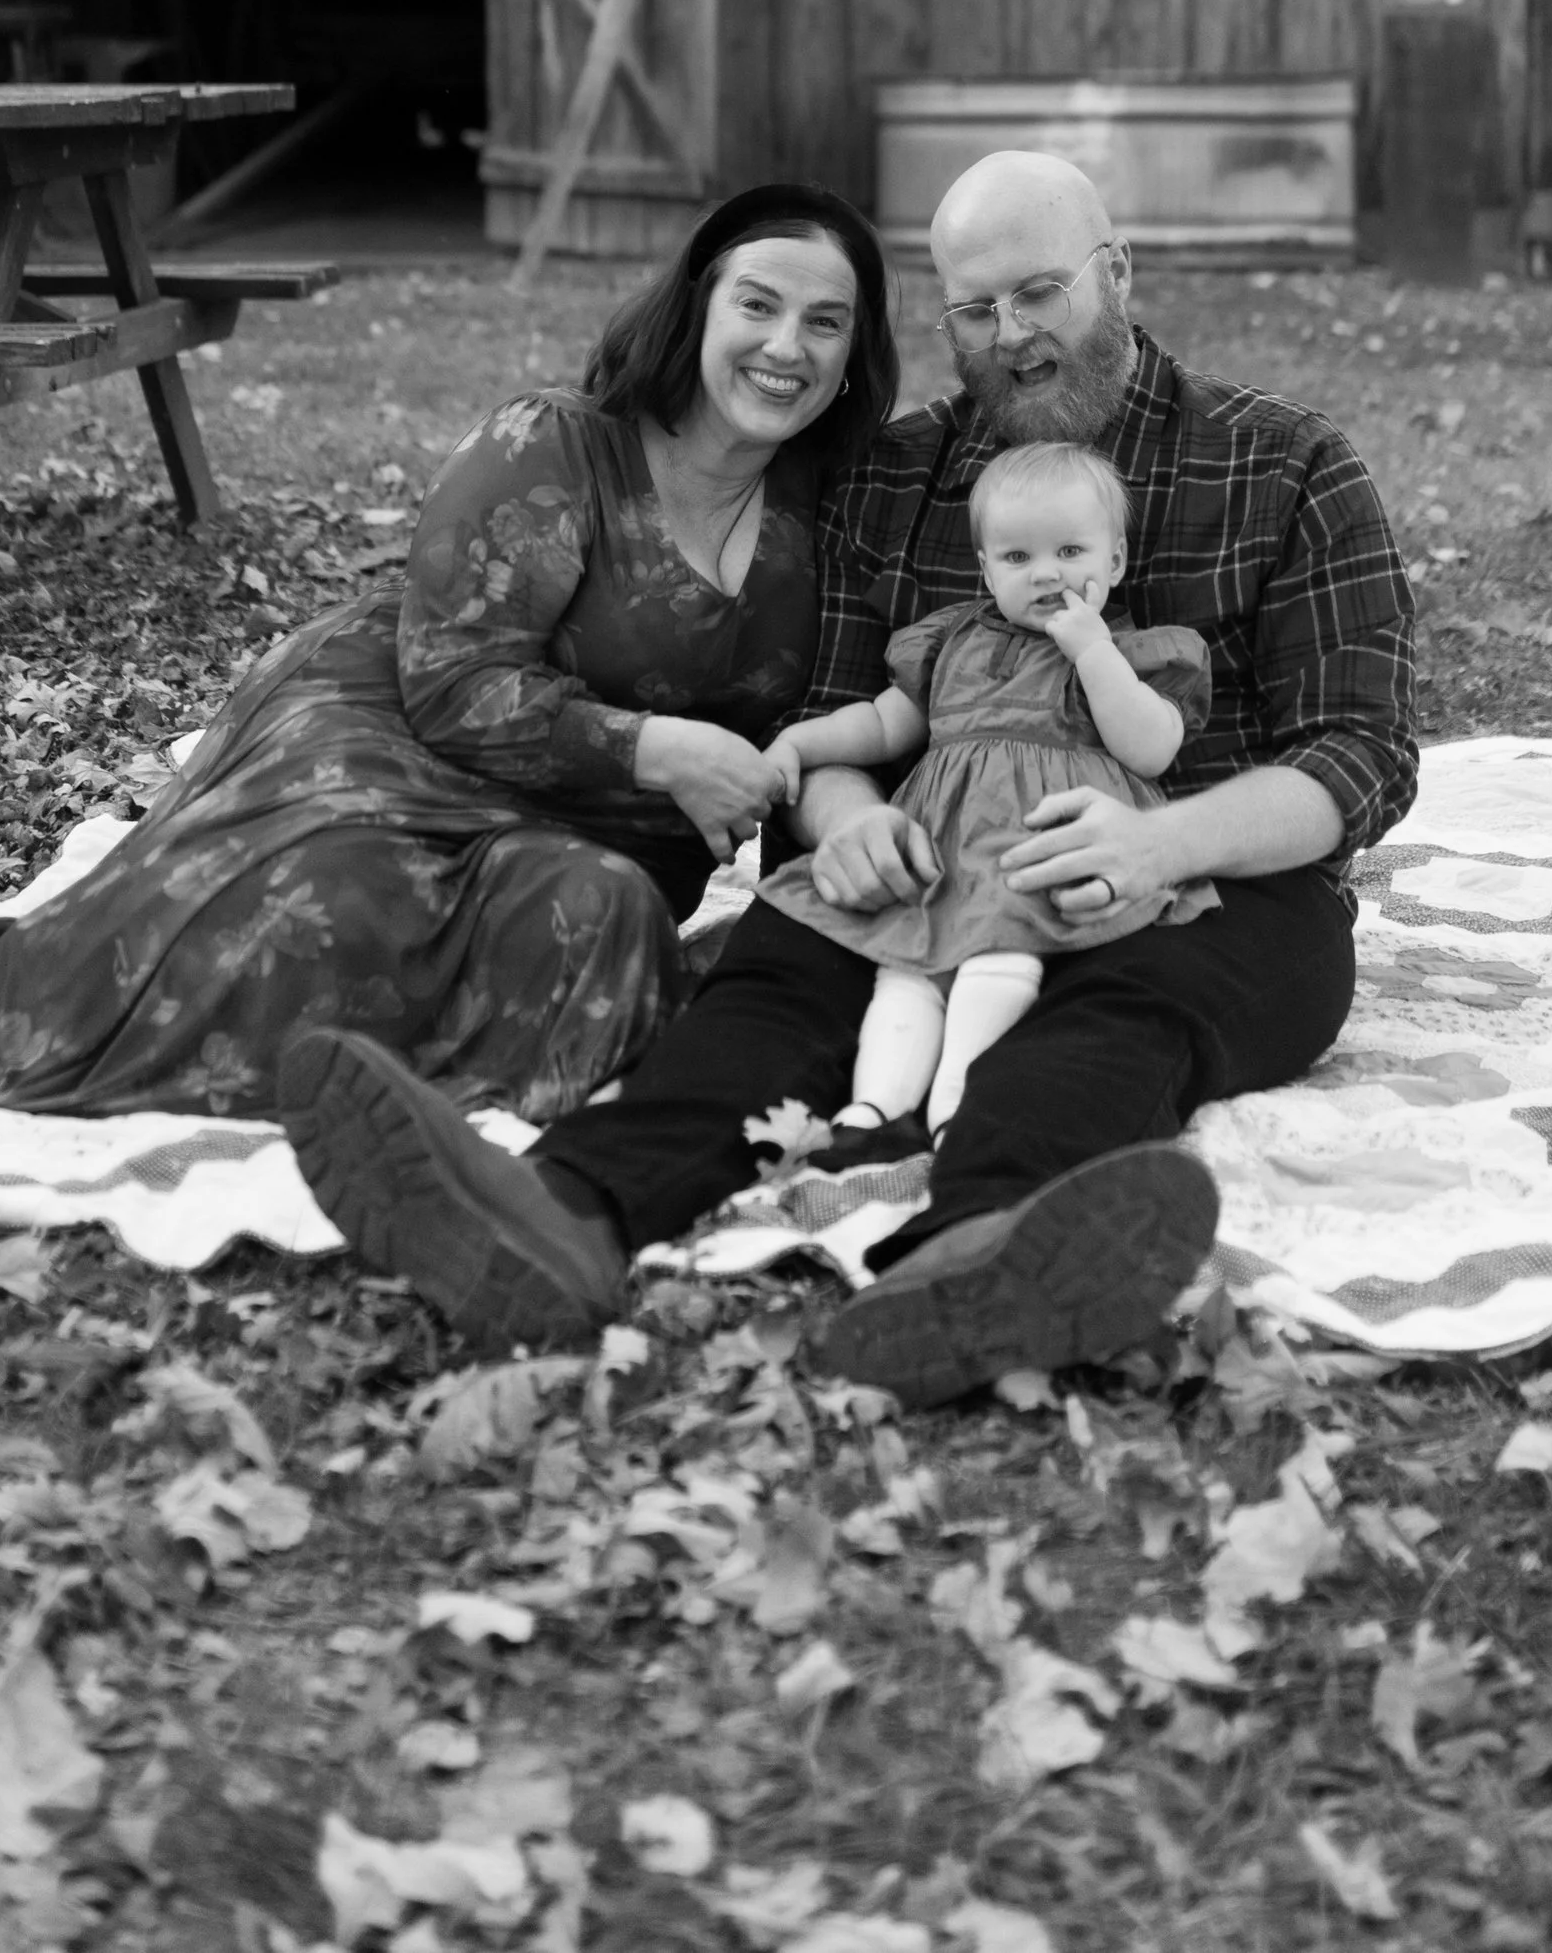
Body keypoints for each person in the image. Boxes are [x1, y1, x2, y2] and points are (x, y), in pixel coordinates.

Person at [277, 147, 1419, 1406]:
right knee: (779, 977)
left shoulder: (1290, 465)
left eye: (1040, 294)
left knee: (1117, 1018)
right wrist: (855, 822)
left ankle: (977, 1256)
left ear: (1117, 274)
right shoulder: (896, 474)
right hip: (933, 860)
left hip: (1202, 884)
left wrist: (1161, 846)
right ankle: (557, 1212)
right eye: (975, 312)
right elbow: (832, 715)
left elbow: (1357, 756)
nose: (1013, 338)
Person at [0, 180, 897, 1133]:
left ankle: (144, 990)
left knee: (604, 929)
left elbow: (870, 695)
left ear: (854, 357)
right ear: (700, 305)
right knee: (339, 904)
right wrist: (656, 751)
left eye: (824, 323)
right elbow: (453, 681)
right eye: (758, 304)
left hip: (603, 826)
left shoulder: (835, 517)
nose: (784, 348)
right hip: (395, 732)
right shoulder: (556, 444)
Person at [757, 440, 1211, 1151]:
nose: (1047, 575)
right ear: (986, 568)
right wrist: (800, 746)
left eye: (1070, 552)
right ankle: (874, 1108)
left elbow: (1151, 748)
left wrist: (1090, 650)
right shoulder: (950, 642)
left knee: (999, 965)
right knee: (906, 973)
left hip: (1040, 844)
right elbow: (882, 724)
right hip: (944, 841)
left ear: (1114, 562)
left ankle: (956, 1109)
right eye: (1018, 558)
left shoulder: (1129, 653)